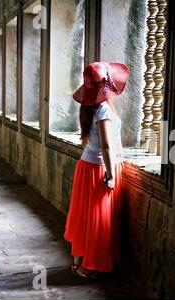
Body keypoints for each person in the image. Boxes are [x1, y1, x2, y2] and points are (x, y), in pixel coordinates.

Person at [64, 61, 129, 279]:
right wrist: (111, 175)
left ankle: (78, 261)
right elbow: (106, 145)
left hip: (87, 166)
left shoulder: (92, 107)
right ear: (108, 87)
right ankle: (88, 266)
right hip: (98, 169)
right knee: (98, 219)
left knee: (86, 216)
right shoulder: (103, 110)